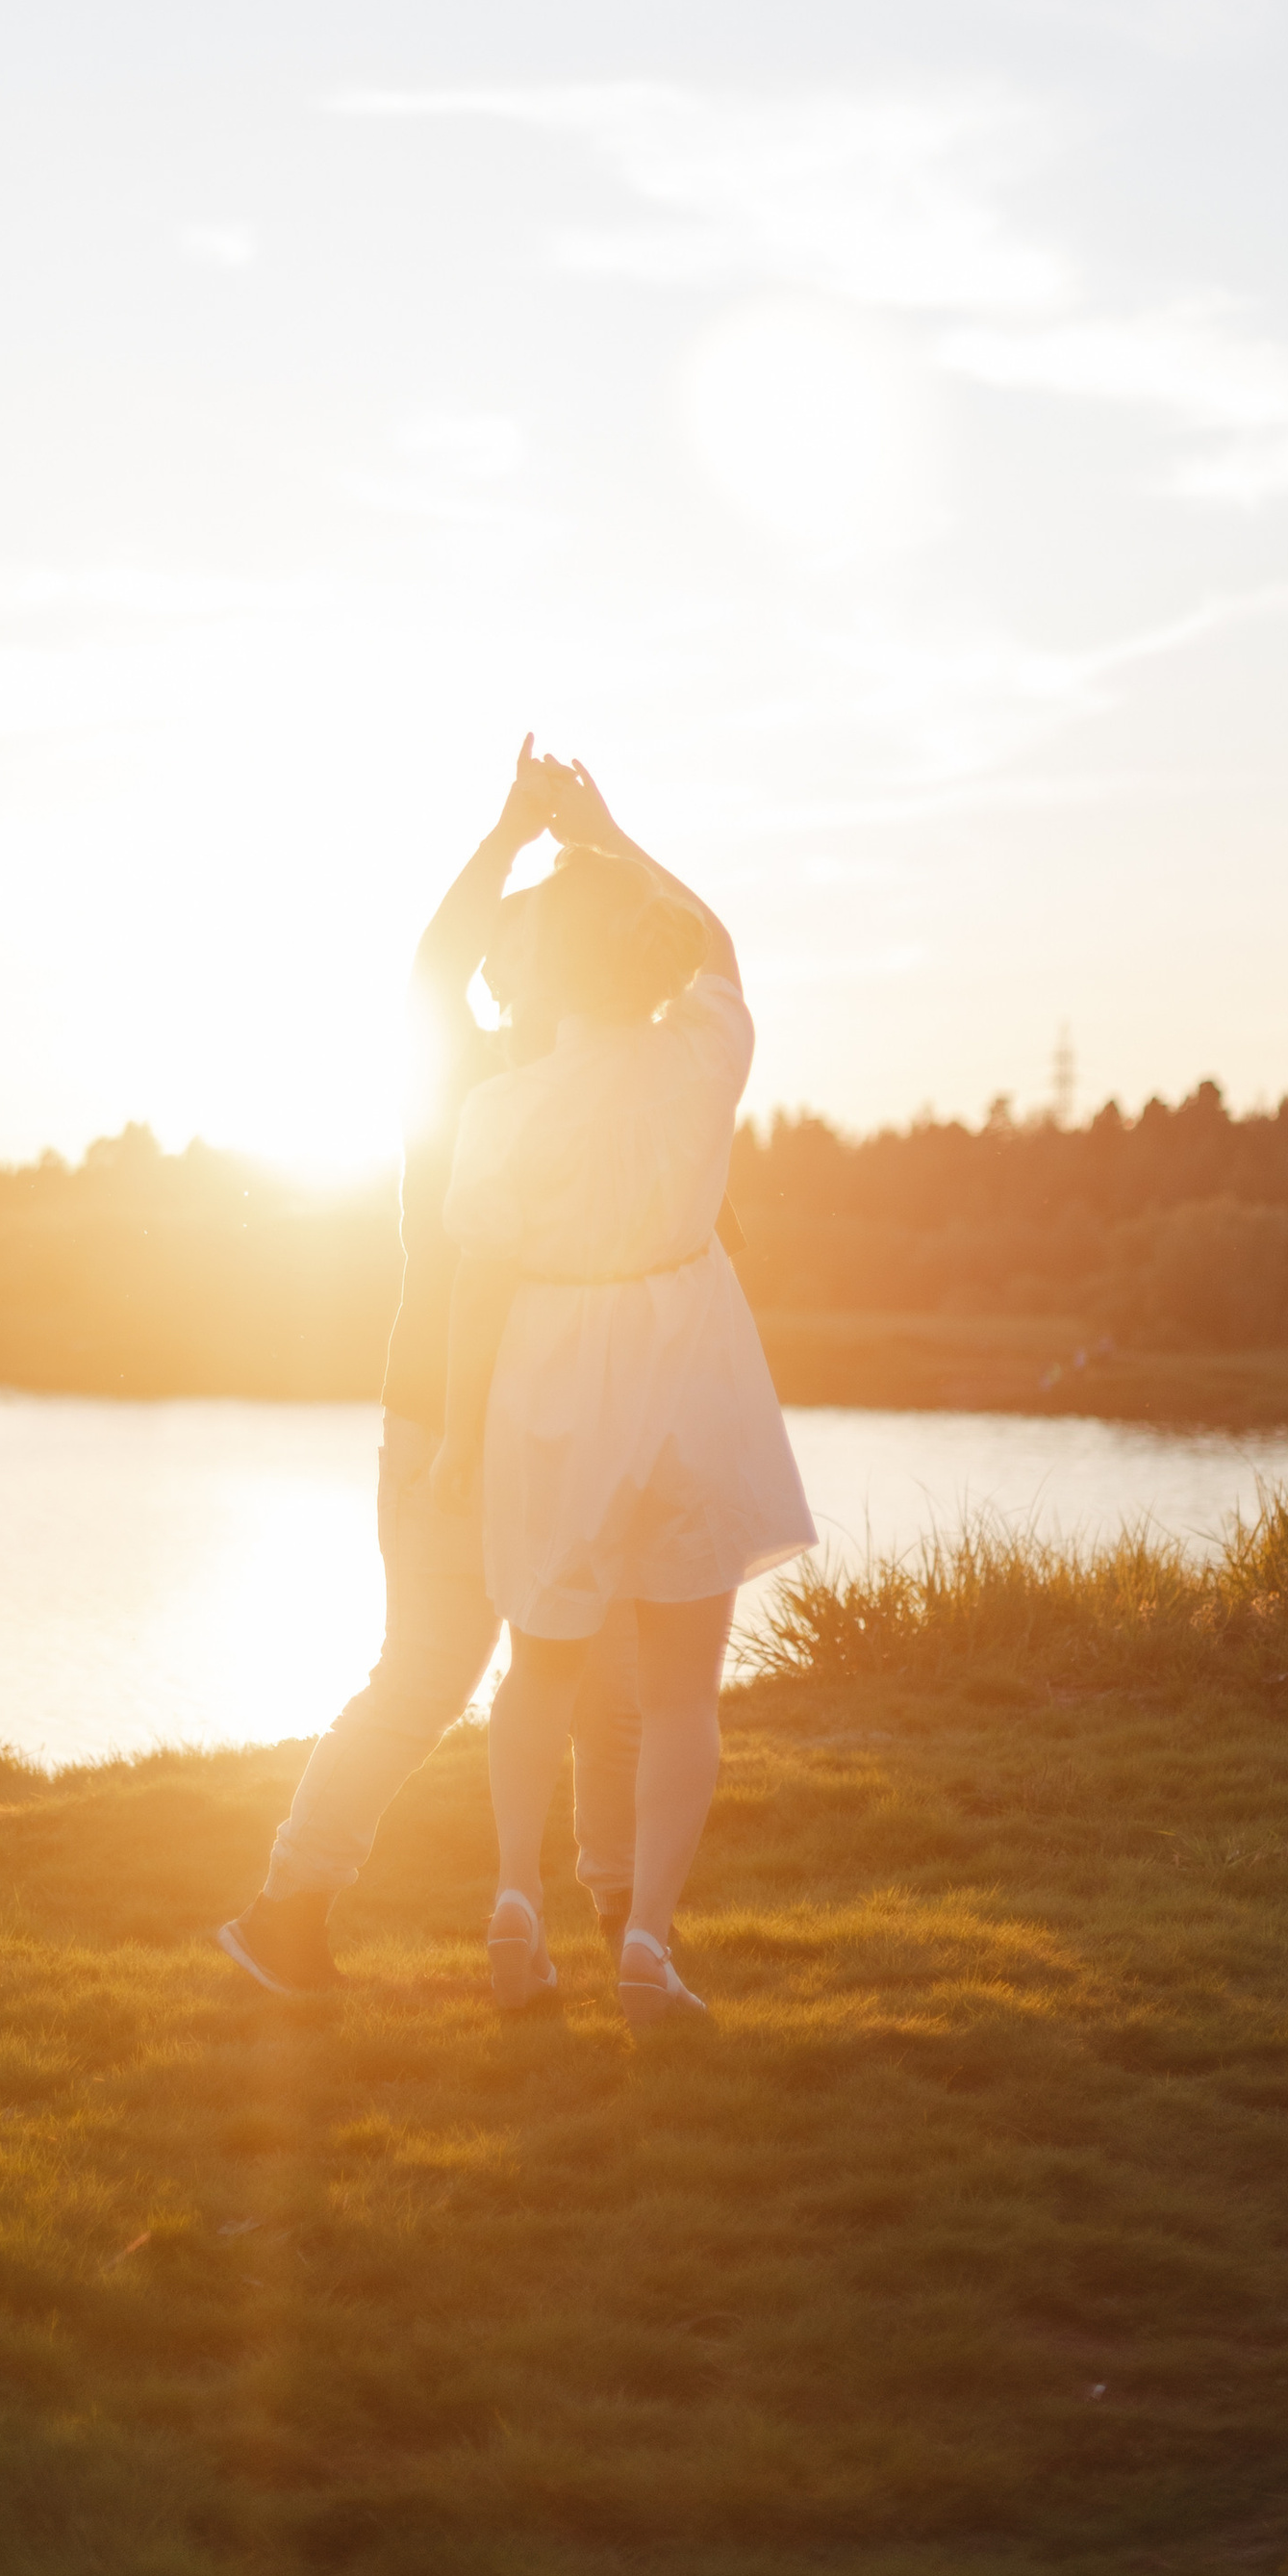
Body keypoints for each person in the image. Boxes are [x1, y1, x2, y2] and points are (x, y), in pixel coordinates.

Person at [215, 741, 644, 1999]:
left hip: (556, 1426)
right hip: (445, 1427)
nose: (512, 965)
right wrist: (517, 830)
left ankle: (627, 1929)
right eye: (512, 952)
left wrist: (595, 840)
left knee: (598, 1685)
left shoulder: (595, 1089)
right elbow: (433, 967)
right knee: (432, 1680)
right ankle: (286, 1908)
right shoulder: (460, 1073)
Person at [434, 763, 818, 2029]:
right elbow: (719, 944)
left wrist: (454, 1434)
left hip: (551, 1370)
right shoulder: (701, 1054)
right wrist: (612, 836)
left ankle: (512, 1900)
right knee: (676, 1692)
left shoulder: (498, 1109)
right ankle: (645, 1938)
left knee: (539, 1668)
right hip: (689, 1367)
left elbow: (472, 1286)